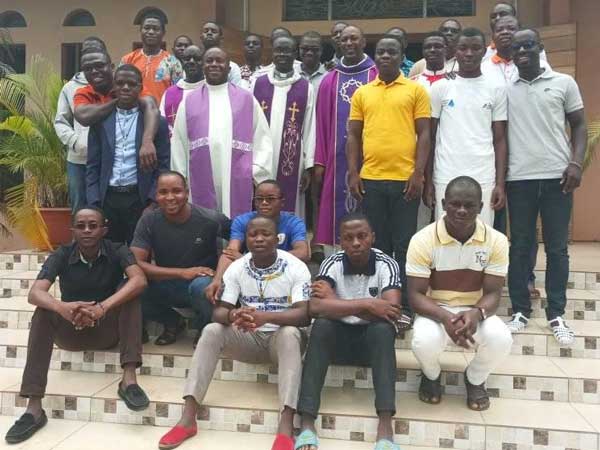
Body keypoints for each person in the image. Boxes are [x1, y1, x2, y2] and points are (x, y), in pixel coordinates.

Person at [158, 216, 312, 450]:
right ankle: (187, 418)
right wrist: (233, 315)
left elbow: (303, 315)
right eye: (253, 234)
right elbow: (219, 312)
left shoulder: (295, 266)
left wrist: (265, 317)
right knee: (211, 330)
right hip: (248, 338)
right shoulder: (238, 267)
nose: (259, 239)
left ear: (277, 238)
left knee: (290, 333)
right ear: (246, 239)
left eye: (266, 234)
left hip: (281, 342)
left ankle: (286, 426)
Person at [4, 207, 149, 444]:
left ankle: (129, 380)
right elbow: (35, 293)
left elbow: (139, 280)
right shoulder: (62, 254)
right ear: (73, 230)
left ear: (104, 230)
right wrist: (64, 308)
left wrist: (102, 308)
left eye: (93, 225)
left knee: (130, 293)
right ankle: (34, 407)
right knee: (43, 310)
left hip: (106, 330)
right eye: (81, 226)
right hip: (71, 331)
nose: (87, 230)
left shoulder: (118, 250)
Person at [505, 29, 587, 346]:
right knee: (520, 246)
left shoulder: (564, 83)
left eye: (528, 45)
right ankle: (520, 311)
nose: (522, 51)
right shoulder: (505, 89)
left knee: (557, 248)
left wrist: (576, 163)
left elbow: (579, 124)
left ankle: (556, 314)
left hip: (558, 178)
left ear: (540, 47)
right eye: (516, 47)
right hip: (519, 179)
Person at [295, 213, 402, 450]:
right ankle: (306, 422)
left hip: (372, 346)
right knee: (322, 326)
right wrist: (369, 304)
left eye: (362, 236)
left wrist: (335, 301)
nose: (356, 243)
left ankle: (385, 427)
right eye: (349, 238)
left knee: (383, 330)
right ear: (340, 241)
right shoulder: (332, 263)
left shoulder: (387, 264)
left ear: (373, 237)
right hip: (337, 344)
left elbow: (392, 311)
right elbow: (316, 307)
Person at [407, 176, 512, 411]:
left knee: (501, 339)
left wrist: (476, 314)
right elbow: (415, 296)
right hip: (436, 311)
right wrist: (445, 317)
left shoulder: (497, 241)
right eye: (455, 204)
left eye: (469, 205)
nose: (462, 210)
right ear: (444, 204)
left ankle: (475, 378)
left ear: (481, 207)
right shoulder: (422, 240)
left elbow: (494, 293)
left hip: (474, 310)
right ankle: (431, 375)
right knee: (423, 341)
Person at [347, 36, 431, 329]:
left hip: (405, 182)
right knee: (377, 245)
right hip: (371, 180)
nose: (385, 56)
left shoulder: (415, 90)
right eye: (381, 52)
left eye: (391, 52)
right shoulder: (362, 93)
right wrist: (353, 172)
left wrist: (418, 173)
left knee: (404, 245)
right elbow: (353, 135)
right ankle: (381, 304)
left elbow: (425, 134)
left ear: (401, 55)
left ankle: (405, 306)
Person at [131, 171, 231, 346]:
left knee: (202, 286)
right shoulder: (148, 221)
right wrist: (182, 273)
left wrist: (220, 275)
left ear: (187, 193)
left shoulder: (211, 218)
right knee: (129, 287)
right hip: (166, 282)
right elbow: (135, 263)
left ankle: (205, 328)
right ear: (156, 195)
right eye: (163, 192)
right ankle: (172, 322)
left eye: (176, 191)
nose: (170, 197)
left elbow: (238, 243)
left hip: (202, 284)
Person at [171, 47, 273, 218]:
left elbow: (262, 137)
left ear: (229, 67)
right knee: (204, 223)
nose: (214, 64)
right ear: (203, 66)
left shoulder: (246, 99)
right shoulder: (189, 101)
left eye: (219, 61)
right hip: (199, 176)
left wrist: (255, 172)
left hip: (237, 176)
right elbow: (179, 142)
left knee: (235, 223)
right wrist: (180, 178)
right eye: (209, 61)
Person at [426, 27, 508, 227]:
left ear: (484, 51)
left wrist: (500, 183)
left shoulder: (496, 88)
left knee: (482, 232)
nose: (469, 53)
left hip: (484, 173)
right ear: (455, 50)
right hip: (446, 172)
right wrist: (428, 181)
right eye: (463, 48)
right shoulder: (440, 87)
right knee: (445, 232)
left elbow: (500, 139)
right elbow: (430, 137)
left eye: (475, 48)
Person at [86, 64, 170, 244]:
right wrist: (94, 202)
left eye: (131, 84)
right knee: (110, 253)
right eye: (120, 83)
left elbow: (163, 165)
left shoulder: (158, 123)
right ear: (114, 86)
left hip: (139, 199)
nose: (125, 88)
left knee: (138, 253)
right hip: (108, 199)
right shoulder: (100, 121)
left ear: (140, 87)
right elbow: (92, 165)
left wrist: (153, 202)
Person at [313, 25, 378, 250]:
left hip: (371, 159)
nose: (349, 43)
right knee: (334, 209)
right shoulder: (330, 80)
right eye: (345, 39)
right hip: (336, 159)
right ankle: (335, 256)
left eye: (354, 38)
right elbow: (321, 123)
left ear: (364, 42)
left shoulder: (376, 75)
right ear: (339, 44)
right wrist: (320, 161)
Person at [204, 179, 309, 303]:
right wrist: (217, 280)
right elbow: (230, 253)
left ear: (282, 202)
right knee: (212, 289)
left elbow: (303, 253)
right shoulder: (242, 221)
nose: (264, 203)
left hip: (283, 275)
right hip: (250, 275)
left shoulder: (293, 222)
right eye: (259, 199)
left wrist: (251, 258)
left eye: (270, 199)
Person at [253, 36, 316, 218]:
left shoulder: (305, 87)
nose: (282, 54)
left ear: (295, 54)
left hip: (292, 160)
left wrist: (307, 166)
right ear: (272, 53)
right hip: (260, 159)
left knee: (289, 206)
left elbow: (310, 128)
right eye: (278, 50)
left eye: (287, 50)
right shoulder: (257, 84)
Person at [73, 50, 161, 173]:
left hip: (135, 161)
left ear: (112, 66)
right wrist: (118, 102)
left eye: (99, 66)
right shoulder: (83, 92)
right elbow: (83, 116)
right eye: (88, 68)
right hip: (93, 160)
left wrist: (147, 141)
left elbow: (151, 106)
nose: (94, 71)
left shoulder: (128, 85)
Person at [54, 37, 107, 213]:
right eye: (86, 51)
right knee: (78, 206)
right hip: (78, 160)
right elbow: (61, 121)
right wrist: (76, 142)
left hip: (106, 158)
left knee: (104, 205)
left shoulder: (112, 84)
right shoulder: (70, 88)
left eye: (96, 50)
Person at [411, 31, 448, 232]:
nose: (433, 50)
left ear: (447, 49)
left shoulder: (457, 80)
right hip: (418, 152)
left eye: (438, 46)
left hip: (447, 153)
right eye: (428, 47)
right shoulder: (412, 83)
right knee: (420, 215)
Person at [120, 14, 183, 104]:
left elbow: (177, 93)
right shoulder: (127, 60)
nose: (151, 32)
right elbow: (119, 88)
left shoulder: (173, 62)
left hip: (161, 111)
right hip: (133, 111)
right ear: (140, 31)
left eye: (156, 29)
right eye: (147, 28)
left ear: (163, 33)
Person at [159, 44, 205, 136]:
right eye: (187, 59)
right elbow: (163, 123)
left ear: (204, 62)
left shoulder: (211, 89)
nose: (191, 62)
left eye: (197, 59)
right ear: (182, 63)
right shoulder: (170, 93)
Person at [484, 1, 548, 62]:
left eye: (503, 14)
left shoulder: (532, 49)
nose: (497, 18)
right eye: (493, 16)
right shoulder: (484, 53)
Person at [200, 21, 242, 85]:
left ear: (221, 38)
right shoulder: (195, 66)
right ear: (201, 37)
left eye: (214, 31)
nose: (209, 33)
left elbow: (236, 90)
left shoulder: (233, 67)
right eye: (206, 31)